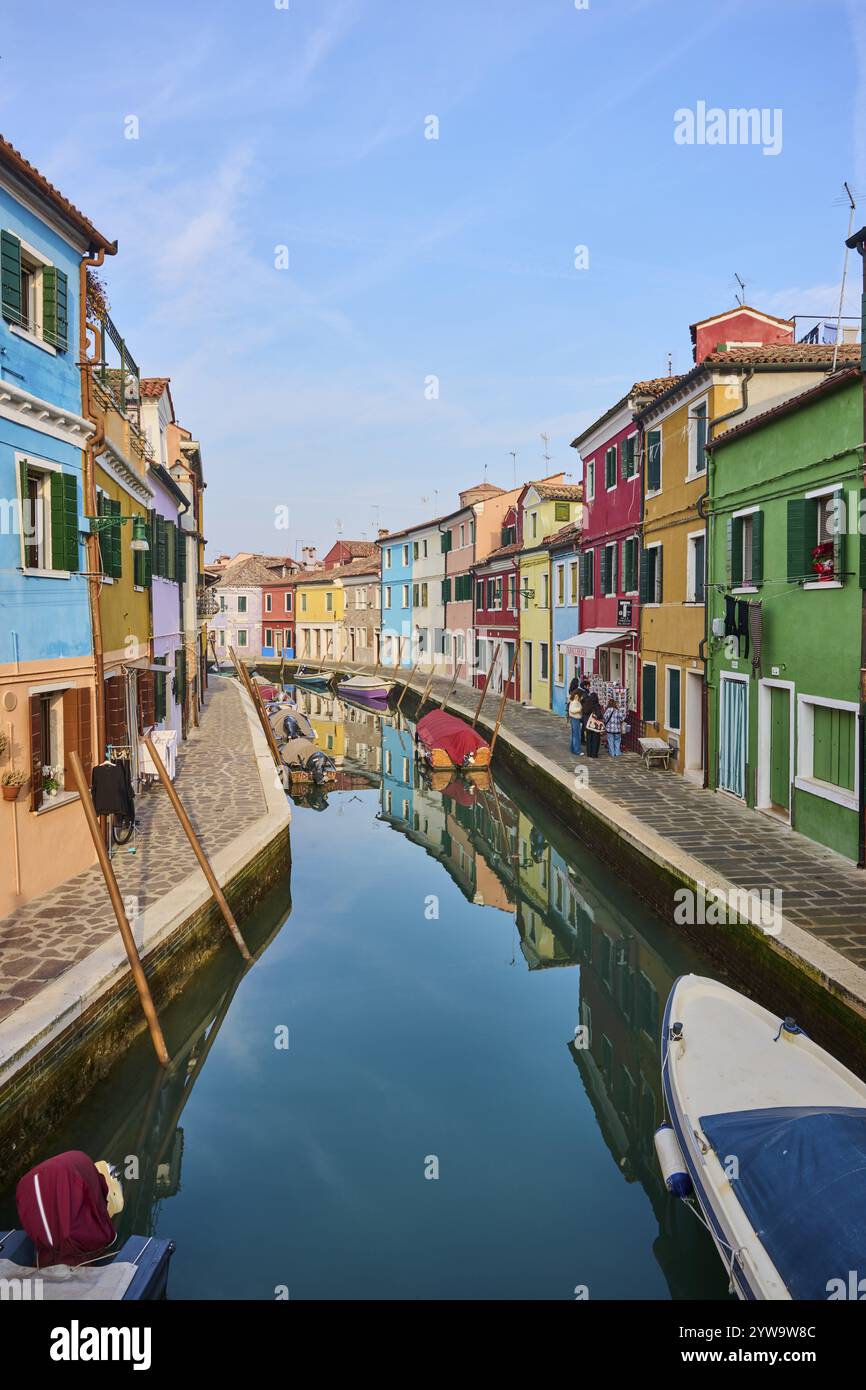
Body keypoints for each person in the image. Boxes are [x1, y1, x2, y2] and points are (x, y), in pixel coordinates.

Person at [581, 686, 604, 758]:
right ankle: (594, 754)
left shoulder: (585, 705)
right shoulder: (596, 705)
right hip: (594, 726)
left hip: (588, 725)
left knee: (588, 739)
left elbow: (583, 716)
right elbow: (599, 715)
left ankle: (589, 753)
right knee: (595, 739)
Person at [568, 687, 583, 755]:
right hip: (575, 719)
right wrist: (580, 709)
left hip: (575, 719)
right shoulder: (575, 702)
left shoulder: (575, 701)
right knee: (576, 735)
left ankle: (573, 749)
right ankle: (577, 750)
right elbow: (572, 710)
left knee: (574, 735)